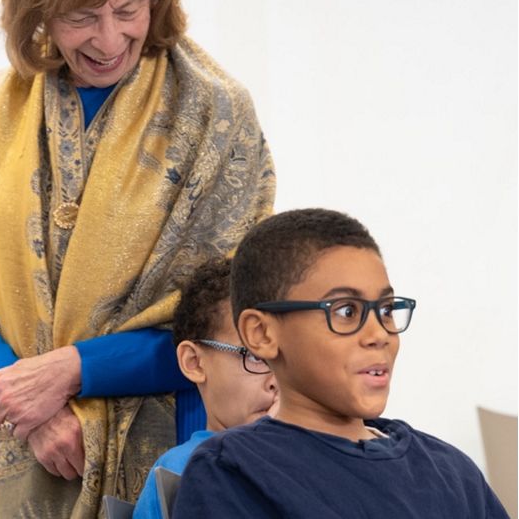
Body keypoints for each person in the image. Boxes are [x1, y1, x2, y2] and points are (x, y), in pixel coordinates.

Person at [0, 0, 276, 515]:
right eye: (81, 17)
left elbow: (235, 324)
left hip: (177, 451)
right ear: (39, 10)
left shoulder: (215, 115)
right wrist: (32, 410)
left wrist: (74, 369)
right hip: (33, 456)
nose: (109, 40)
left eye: (128, 10)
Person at [172, 209, 507, 517]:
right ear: (261, 334)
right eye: (347, 311)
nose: (379, 334)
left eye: (386, 310)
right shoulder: (232, 472)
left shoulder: (451, 471)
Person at [130, 259, 277, 518]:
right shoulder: (183, 468)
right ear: (195, 362)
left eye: (289, 358)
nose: (278, 379)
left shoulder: (322, 452)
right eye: (255, 356)